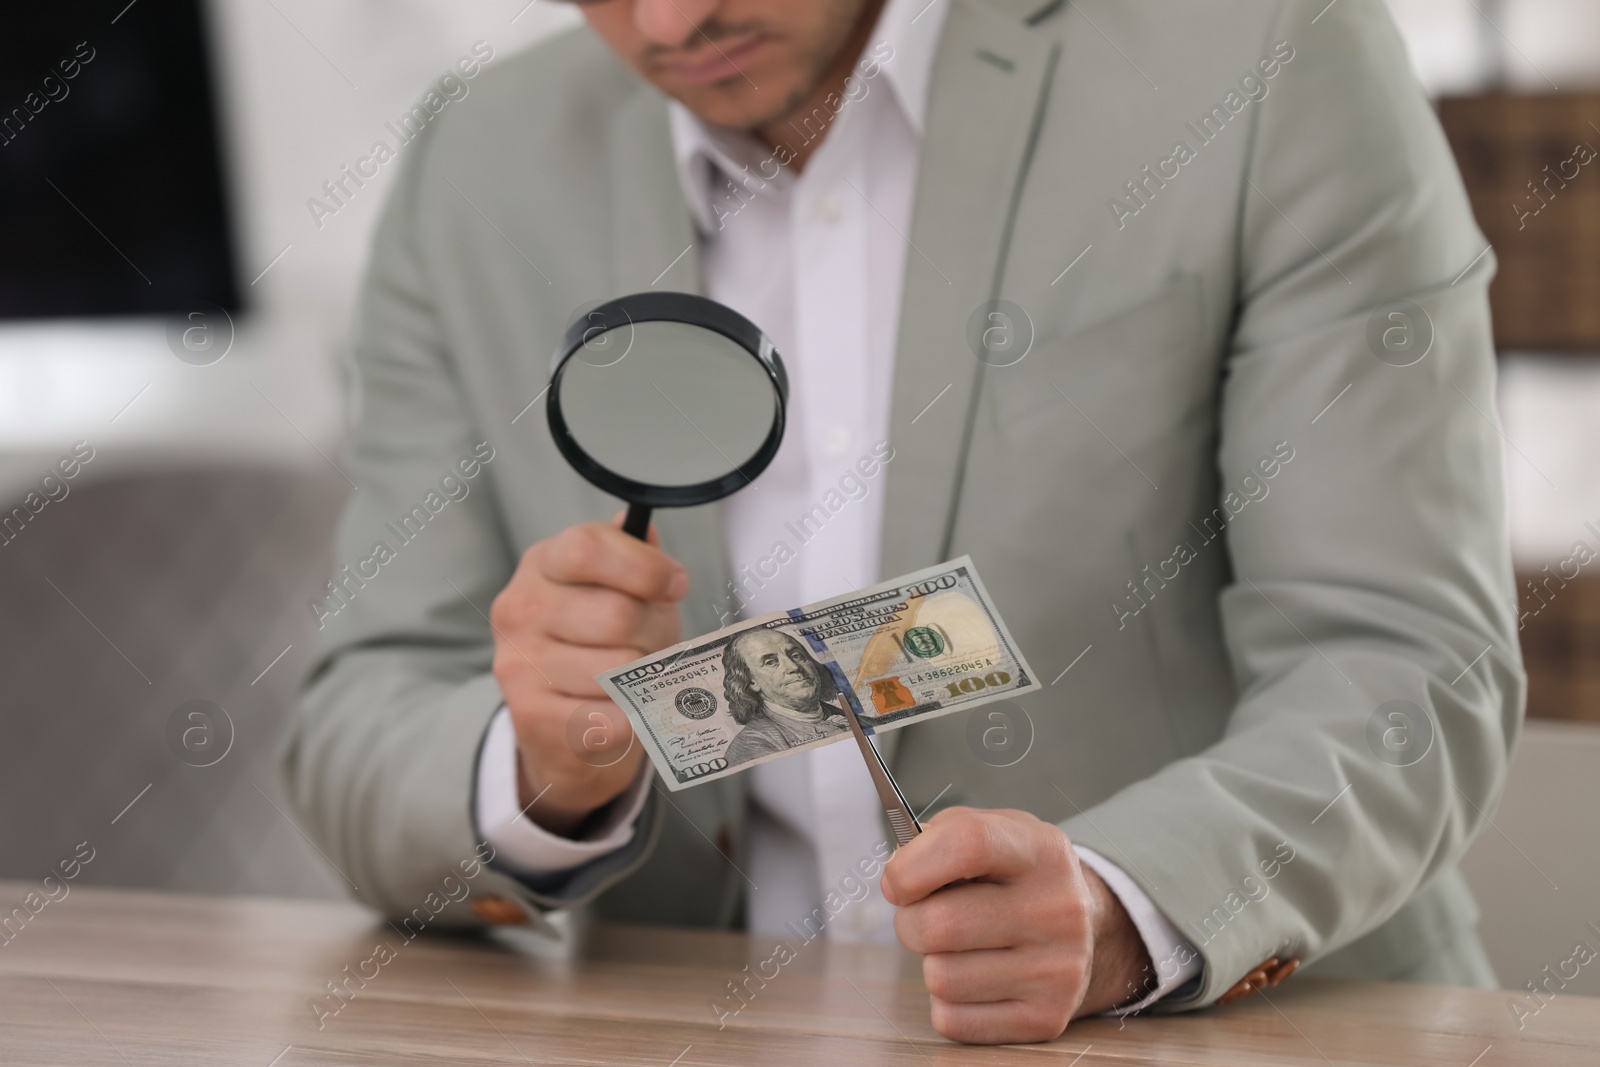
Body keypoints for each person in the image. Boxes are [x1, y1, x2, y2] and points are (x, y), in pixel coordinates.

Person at [283, 0, 1523, 1045]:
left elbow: (1405, 660)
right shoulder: (476, 160)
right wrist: (541, 765)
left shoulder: (1264, 58)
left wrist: (1119, 905)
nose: (668, 22)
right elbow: (357, 722)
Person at [721, 629, 850, 767]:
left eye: (796, 655)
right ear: (751, 681)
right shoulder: (752, 745)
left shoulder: (852, 717)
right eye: (770, 662)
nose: (793, 667)